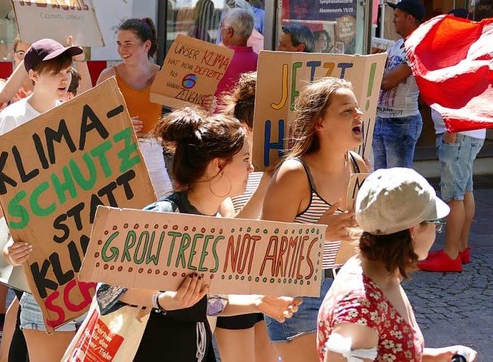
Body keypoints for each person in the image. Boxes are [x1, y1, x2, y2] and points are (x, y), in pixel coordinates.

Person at [95, 108, 301, 362]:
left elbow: (210, 304)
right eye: (245, 159)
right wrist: (163, 300)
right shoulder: (164, 216)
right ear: (218, 165)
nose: (252, 168)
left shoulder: (214, 222)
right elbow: (108, 289)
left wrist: (258, 303)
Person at [317, 167, 478, 362]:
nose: (436, 231)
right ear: (414, 230)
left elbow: (385, 351)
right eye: (435, 224)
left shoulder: (371, 270)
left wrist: (436, 357)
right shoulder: (361, 306)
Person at [0, 38, 83, 362]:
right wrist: (2, 240)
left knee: (30, 305)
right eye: (55, 71)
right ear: (32, 75)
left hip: (61, 237)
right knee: (27, 301)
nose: (63, 78)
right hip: (23, 239)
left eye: (67, 72)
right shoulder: (12, 119)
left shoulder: (70, 115)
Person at [260, 77, 367, 362]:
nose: (359, 115)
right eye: (347, 111)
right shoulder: (294, 174)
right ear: (319, 123)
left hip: (348, 287)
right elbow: (264, 250)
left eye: (357, 108)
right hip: (298, 296)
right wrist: (318, 236)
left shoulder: (359, 166)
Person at [216, 73, 279, 362]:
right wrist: (266, 182)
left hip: (269, 277)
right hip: (237, 280)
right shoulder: (224, 165)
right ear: (246, 125)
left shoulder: (280, 162)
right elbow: (231, 229)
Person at [97, 18, 172, 197]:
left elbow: (188, 109)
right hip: (117, 155)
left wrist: (206, 103)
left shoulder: (163, 76)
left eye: (128, 44)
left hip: (153, 154)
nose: (122, 50)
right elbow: (90, 119)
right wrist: (120, 124)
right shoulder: (108, 76)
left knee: (165, 211)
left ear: (146, 45)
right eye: (119, 44)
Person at [417, 108, 485, 273]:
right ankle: (460, 248)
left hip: (458, 132)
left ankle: (451, 254)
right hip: (467, 132)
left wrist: (452, 130)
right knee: (464, 191)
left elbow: (458, 95)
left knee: (454, 196)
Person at [372, 0, 424, 170]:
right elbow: (383, 76)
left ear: (409, 18)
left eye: (397, 16)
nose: (393, 20)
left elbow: (387, 81)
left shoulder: (418, 47)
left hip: (402, 120)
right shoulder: (397, 45)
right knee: (380, 180)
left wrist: (374, 63)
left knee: (397, 184)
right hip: (382, 118)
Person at [216, 8, 258, 108]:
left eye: (222, 27)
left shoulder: (216, 59)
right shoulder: (261, 61)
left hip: (218, 120)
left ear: (229, 31)